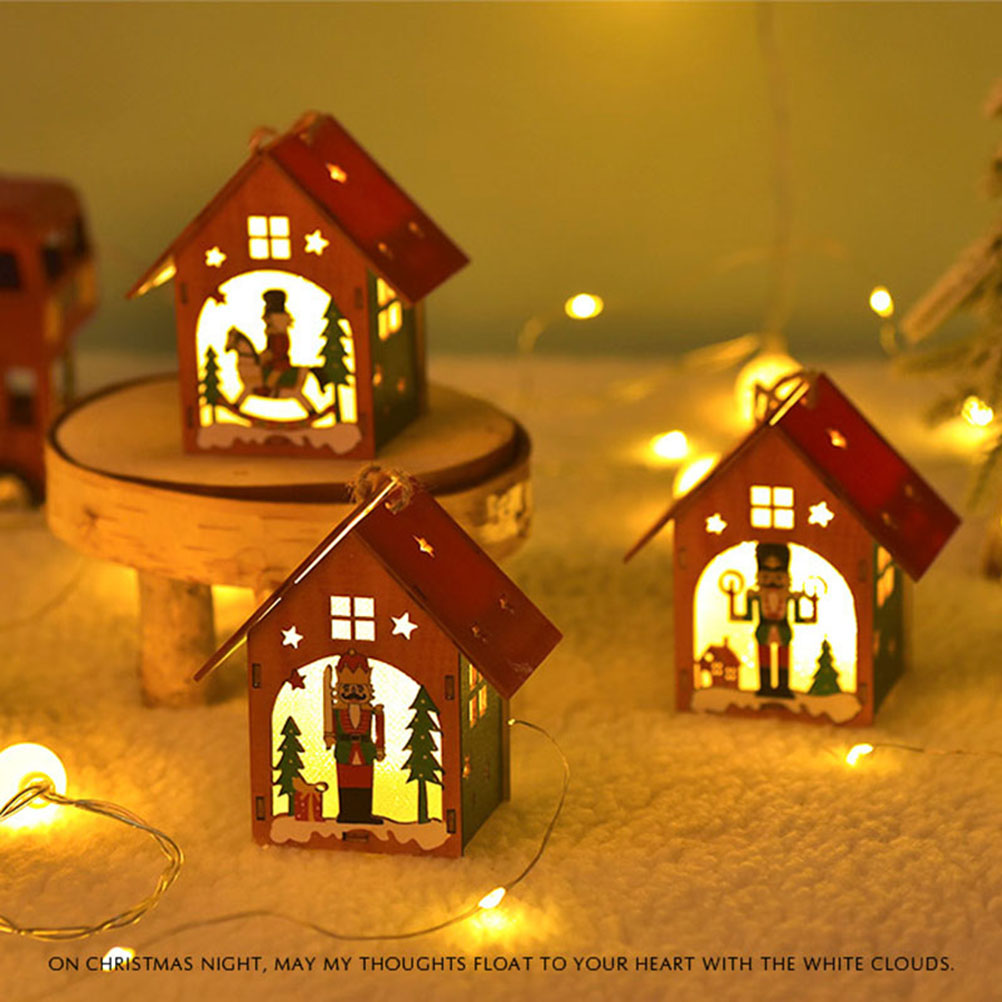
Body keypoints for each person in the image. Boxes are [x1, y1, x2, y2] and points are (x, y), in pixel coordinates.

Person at [323, 650, 385, 825]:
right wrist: (329, 736)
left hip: (365, 750)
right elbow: (330, 726)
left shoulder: (370, 711)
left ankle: (364, 813)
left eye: (359, 689)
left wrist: (380, 748)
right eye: (347, 689)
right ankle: (347, 813)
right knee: (346, 782)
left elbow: (379, 729)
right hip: (345, 750)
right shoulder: (338, 711)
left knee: (365, 783)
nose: (353, 693)